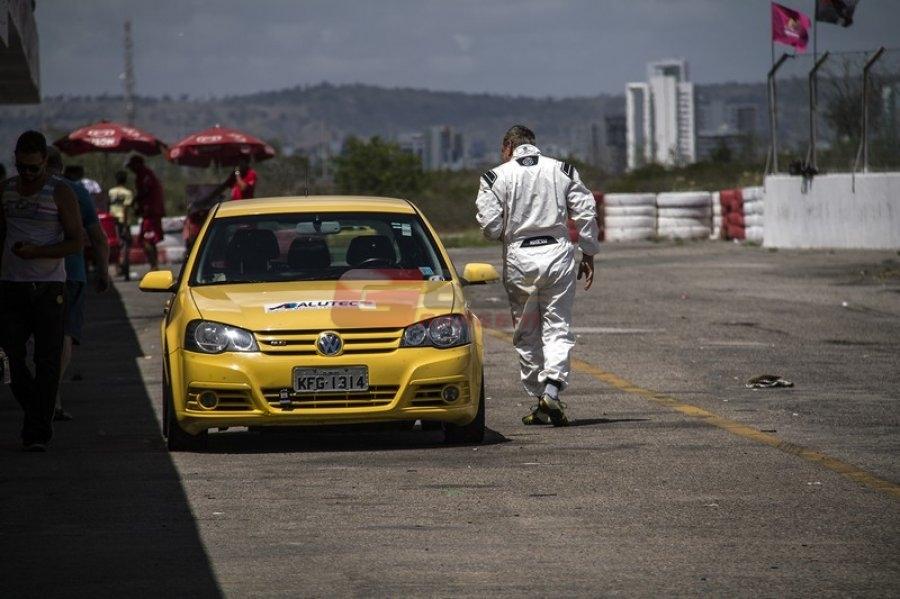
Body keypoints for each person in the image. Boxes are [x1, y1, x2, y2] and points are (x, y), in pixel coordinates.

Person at [475, 125, 599, 427]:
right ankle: (551, 392)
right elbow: (586, 211)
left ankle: (541, 395)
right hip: (558, 253)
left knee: (527, 330)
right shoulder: (563, 169)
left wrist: (509, 230)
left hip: (520, 257)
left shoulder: (494, 177)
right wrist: (589, 252)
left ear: (508, 147)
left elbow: (490, 226)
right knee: (557, 325)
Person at [0, 131, 83, 451]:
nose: (27, 174)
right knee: (11, 357)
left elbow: (76, 242)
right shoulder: (6, 191)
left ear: (45, 163)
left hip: (49, 287)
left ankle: (36, 433)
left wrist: (38, 252)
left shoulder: (60, 192)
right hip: (11, 285)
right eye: (21, 167)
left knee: (47, 360)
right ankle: (37, 409)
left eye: (34, 168)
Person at [54, 154, 111, 421]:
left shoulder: (14, 191)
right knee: (64, 334)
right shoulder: (74, 191)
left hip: (20, 275)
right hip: (70, 273)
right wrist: (103, 272)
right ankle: (52, 396)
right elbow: (98, 237)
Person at [126, 155, 165, 270]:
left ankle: (154, 266)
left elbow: (145, 191)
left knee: (146, 240)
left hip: (151, 213)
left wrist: (135, 201)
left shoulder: (145, 175)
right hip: (150, 212)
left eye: (132, 166)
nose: (131, 169)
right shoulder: (145, 175)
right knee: (149, 240)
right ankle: (154, 266)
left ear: (137, 165)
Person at [107, 170, 134, 280]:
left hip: (111, 221)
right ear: (125, 180)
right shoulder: (128, 193)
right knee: (125, 245)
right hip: (123, 221)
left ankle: (116, 266)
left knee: (113, 244)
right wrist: (126, 225)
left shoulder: (111, 192)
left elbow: (107, 205)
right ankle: (123, 267)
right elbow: (126, 209)